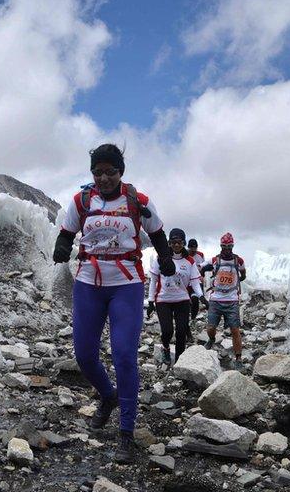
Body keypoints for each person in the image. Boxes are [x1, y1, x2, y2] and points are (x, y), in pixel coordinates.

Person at [53, 143, 175, 464]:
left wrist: (165, 258)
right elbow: (67, 231)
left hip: (127, 285)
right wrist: (62, 247)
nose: (104, 177)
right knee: (84, 356)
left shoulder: (138, 201)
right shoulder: (81, 200)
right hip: (88, 283)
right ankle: (108, 396)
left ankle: (125, 432)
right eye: (98, 172)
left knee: (124, 355)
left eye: (110, 171)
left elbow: (158, 232)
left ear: (121, 171)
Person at [147, 228, 206, 365]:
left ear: (183, 243)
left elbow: (195, 282)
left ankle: (179, 361)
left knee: (181, 332)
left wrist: (201, 297)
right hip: (163, 300)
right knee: (167, 331)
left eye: (179, 242)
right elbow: (154, 280)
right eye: (173, 242)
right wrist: (151, 301)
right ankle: (166, 347)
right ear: (169, 243)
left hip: (182, 300)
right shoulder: (160, 259)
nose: (176, 245)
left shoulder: (189, 261)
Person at [201, 233, 246, 370]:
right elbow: (200, 267)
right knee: (211, 327)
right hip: (216, 299)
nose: (227, 249)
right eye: (224, 246)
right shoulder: (214, 260)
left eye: (229, 246)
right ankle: (212, 339)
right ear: (221, 246)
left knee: (235, 330)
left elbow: (243, 275)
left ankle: (238, 358)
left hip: (231, 300)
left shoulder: (239, 261)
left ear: (232, 246)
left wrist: (235, 283)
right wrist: (202, 275)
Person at [186, 238, 206, 320]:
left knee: (195, 299)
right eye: (191, 248)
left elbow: (203, 267)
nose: (193, 250)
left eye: (195, 248)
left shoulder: (200, 255)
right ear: (188, 247)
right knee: (186, 301)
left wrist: (202, 276)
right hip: (186, 282)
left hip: (197, 281)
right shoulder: (184, 254)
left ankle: (193, 319)